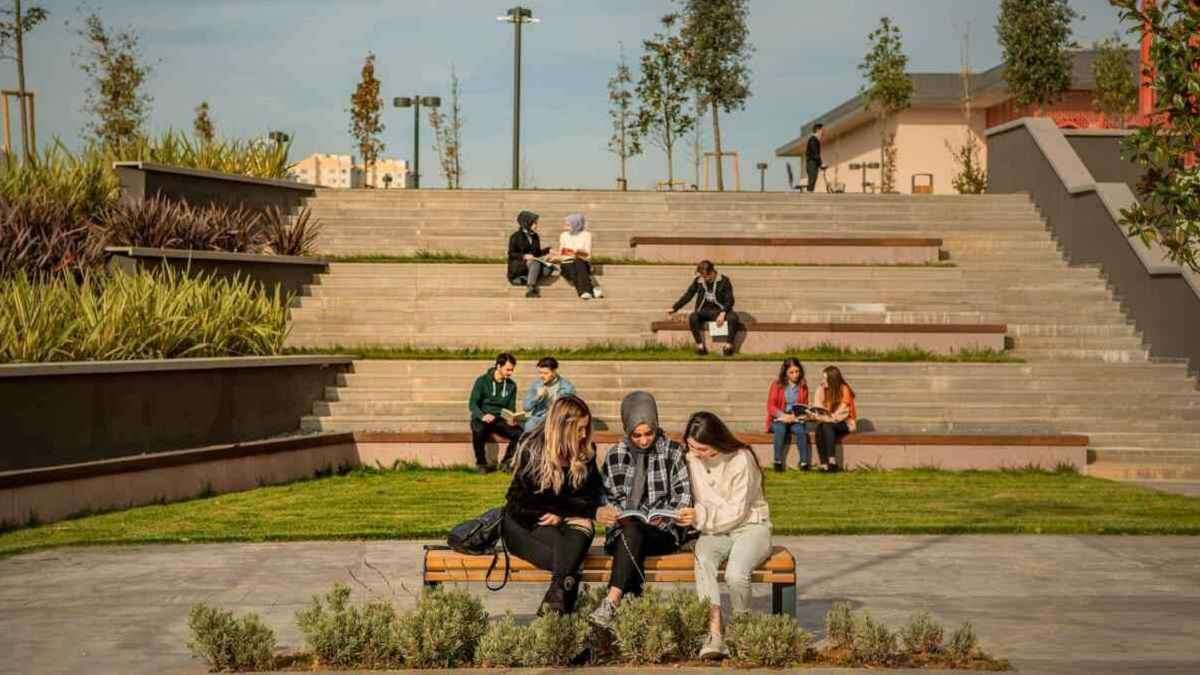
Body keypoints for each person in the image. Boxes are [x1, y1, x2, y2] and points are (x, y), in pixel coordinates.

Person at [589, 391, 694, 628]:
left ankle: (612, 601)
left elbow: (683, 496)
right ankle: (637, 620)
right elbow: (606, 497)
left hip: (662, 533)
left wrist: (666, 519)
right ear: (627, 430)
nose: (644, 440)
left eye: (650, 433)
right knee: (632, 530)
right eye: (637, 435)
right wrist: (613, 514)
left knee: (635, 532)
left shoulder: (672, 452)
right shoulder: (615, 454)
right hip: (624, 532)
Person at [677, 411, 772, 661]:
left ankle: (741, 629)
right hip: (713, 530)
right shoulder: (690, 458)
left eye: (701, 447)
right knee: (703, 559)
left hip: (751, 526)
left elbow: (737, 511)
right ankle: (714, 632)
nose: (695, 452)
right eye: (691, 445)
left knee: (735, 575)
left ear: (717, 441)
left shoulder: (742, 458)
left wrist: (698, 516)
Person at [502, 395, 605, 615]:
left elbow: (593, 496)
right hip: (525, 525)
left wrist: (561, 512)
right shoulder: (532, 448)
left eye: (586, 428)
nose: (584, 435)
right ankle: (558, 625)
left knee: (581, 533)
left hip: (562, 524)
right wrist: (568, 510)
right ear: (562, 427)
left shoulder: (586, 451)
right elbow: (519, 502)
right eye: (579, 429)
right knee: (570, 560)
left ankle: (551, 616)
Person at [667, 260, 742, 357]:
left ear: (712, 272)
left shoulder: (724, 281)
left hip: (720, 311)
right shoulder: (699, 281)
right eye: (702, 276)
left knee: (733, 318)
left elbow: (730, 300)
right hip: (704, 312)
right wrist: (674, 308)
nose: (704, 278)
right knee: (693, 317)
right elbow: (688, 295)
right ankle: (700, 346)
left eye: (706, 276)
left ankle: (728, 346)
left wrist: (723, 313)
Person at [467, 353, 523, 473]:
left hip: (499, 419)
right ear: (498, 366)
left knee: (519, 433)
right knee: (478, 430)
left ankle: (506, 462)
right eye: (508, 369)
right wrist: (482, 415)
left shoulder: (511, 385)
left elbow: (510, 408)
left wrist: (511, 418)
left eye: (512, 370)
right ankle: (481, 463)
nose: (510, 373)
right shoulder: (482, 381)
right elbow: (472, 404)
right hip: (483, 417)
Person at [809, 365, 858, 472]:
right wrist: (816, 415)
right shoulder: (822, 388)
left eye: (825, 378)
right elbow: (818, 407)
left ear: (832, 380)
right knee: (819, 428)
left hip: (845, 422)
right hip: (829, 421)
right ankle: (824, 464)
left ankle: (831, 460)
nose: (822, 381)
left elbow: (842, 413)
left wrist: (826, 419)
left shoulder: (844, 389)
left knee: (826, 425)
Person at [766, 358, 812, 472]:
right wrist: (783, 416)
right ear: (785, 373)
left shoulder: (803, 386)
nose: (795, 375)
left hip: (794, 418)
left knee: (801, 431)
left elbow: (803, 406)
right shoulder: (776, 385)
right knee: (780, 428)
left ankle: (804, 462)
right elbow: (770, 406)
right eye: (791, 372)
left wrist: (798, 416)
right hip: (778, 418)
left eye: (797, 371)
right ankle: (777, 461)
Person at [522, 356, 576, 433]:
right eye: (540, 373)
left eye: (546, 373)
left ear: (554, 372)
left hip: (558, 420)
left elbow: (570, 408)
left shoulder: (566, 387)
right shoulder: (536, 385)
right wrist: (537, 396)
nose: (542, 376)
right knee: (529, 427)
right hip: (538, 419)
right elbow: (526, 407)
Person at [507, 210, 553, 298]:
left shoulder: (535, 236)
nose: (536, 225)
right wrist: (524, 256)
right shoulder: (515, 236)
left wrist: (548, 250)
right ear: (526, 223)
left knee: (549, 269)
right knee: (535, 263)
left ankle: (526, 278)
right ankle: (530, 289)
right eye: (534, 223)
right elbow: (511, 254)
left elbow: (537, 253)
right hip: (519, 264)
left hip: (532, 263)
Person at [557, 213, 603, 300]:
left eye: (568, 224)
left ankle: (585, 292)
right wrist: (569, 254)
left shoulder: (586, 235)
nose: (565, 225)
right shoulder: (563, 235)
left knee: (578, 262)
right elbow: (562, 253)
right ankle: (591, 289)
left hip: (582, 262)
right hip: (567, 263)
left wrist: (578, 253)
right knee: (574, 267)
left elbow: (588, 255)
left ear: (575, 224)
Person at [805, 124, 824, 192]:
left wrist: (819, 164)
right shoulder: (813, 140)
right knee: (812, 179)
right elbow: (815, 153)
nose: (823, 132)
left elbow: (816, 154)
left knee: (813, 179)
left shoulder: (816, 140)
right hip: (811, 163)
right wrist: (821, 163)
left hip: (814, 163)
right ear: (818, 130)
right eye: (822, 130)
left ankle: (810, 192)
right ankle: (809, 195)